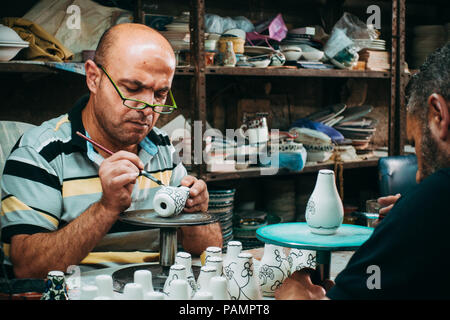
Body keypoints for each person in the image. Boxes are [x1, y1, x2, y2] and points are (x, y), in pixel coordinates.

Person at [0, 23, 222, 279]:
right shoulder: (41, 153)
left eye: (160, 93)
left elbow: (209, 249)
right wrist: (105, 208)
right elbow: (28, 268)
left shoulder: (160, 145)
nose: (148, 109)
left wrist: (196, 214)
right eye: (133, 88)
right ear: (94, 77)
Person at [275, 42, 450, 300]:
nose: (418, 176)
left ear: (438, 114)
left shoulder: (435, 197)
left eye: (414, 146)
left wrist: (298, 295)